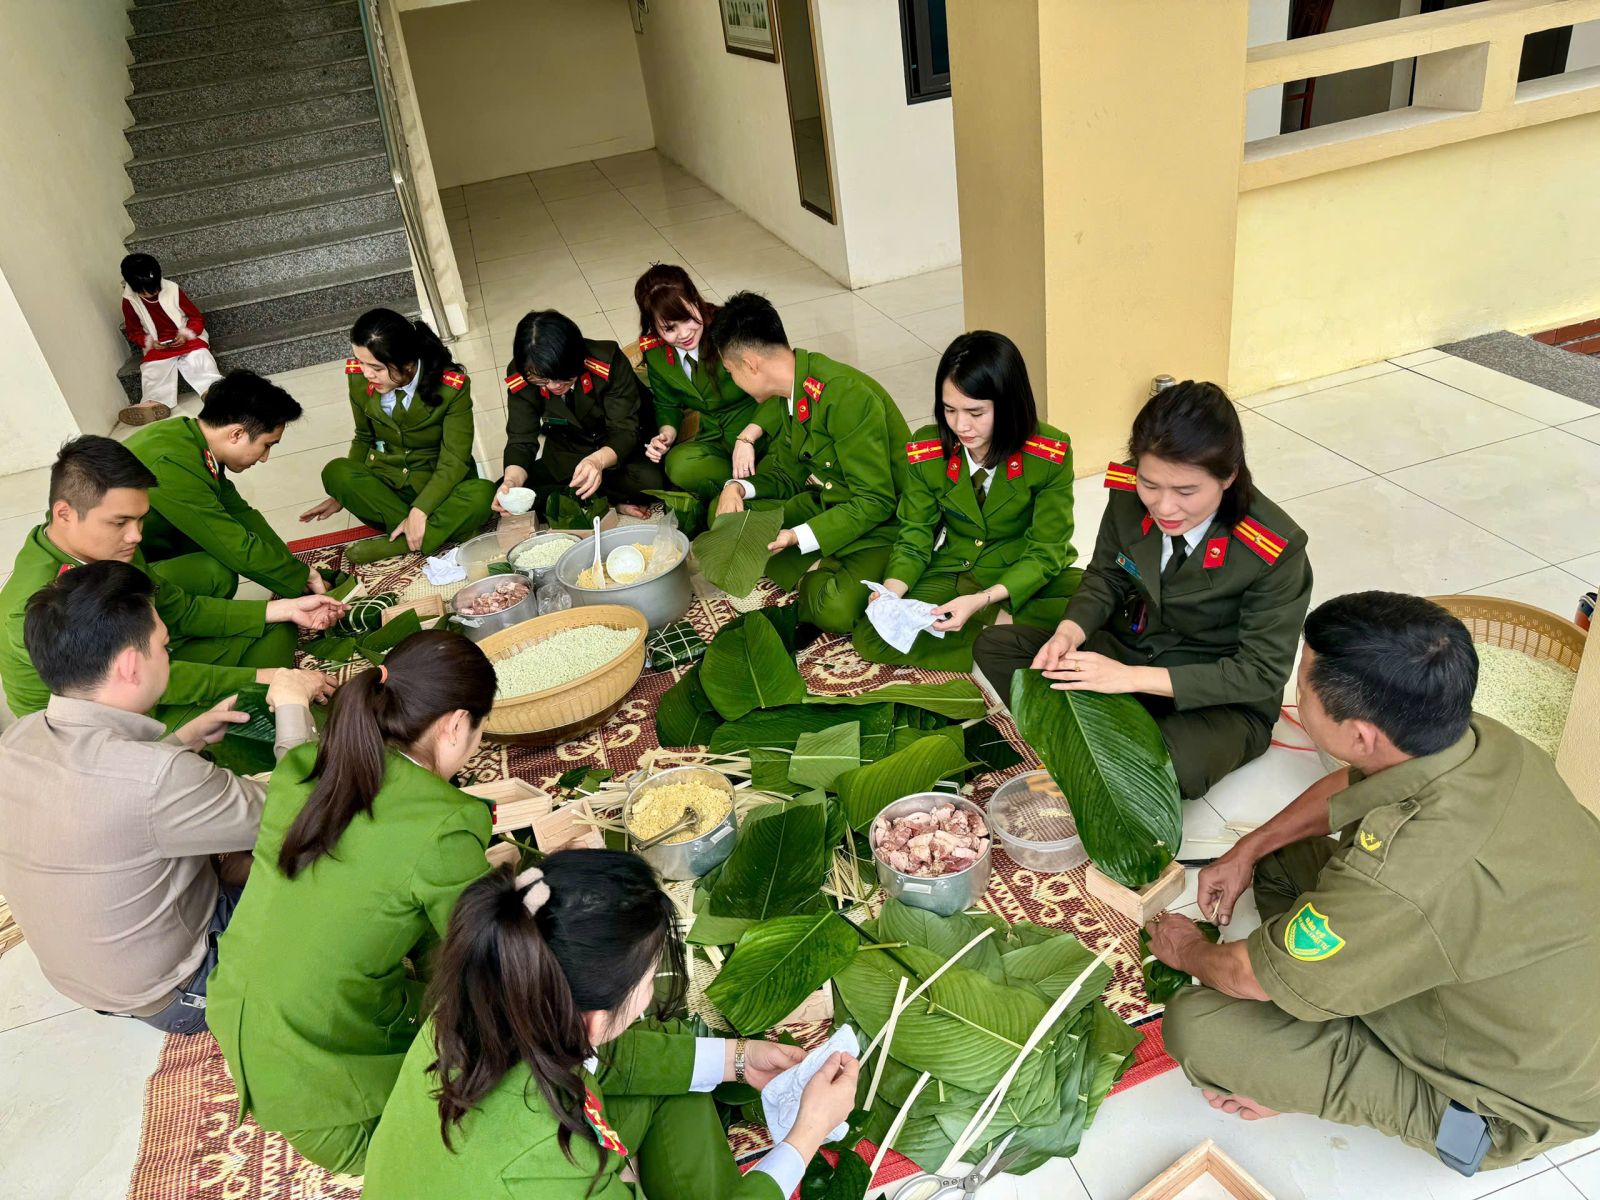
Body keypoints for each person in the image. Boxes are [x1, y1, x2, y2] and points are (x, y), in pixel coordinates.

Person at [1151, 591, 1600, 1173]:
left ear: (1362, 734)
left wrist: (1186, 949)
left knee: (1198, 1028)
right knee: (1286, 859)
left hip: (1516, 1097)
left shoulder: (1400, 876)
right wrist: (1247, 848)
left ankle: (1338, 1065)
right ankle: (1333, 991)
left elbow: (1243, 975)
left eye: (1303, 696)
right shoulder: (1482, 740)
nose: (1298, 703)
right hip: (1522, 985)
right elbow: (1355, 785)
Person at [363, 855, 861, 1199]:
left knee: (676, 1069)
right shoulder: (561, 1164)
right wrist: (805, 1136)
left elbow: (613, 1060)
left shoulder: (486, 993)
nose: (649, 995)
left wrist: (735, 1060)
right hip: (527, 1174)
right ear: (594, 1019)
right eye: (646, 982)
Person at [206, 630, 505, 1176]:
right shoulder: (444, 820)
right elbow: (489, 953)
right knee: (500, 1041)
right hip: (336, 1098)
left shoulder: (307, 767)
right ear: (456, 724)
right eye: (481, 730)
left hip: (251, 1037)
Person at [0, 562, 324, 1033]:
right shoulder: (157, 778)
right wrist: (294, 706)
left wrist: (184, 740)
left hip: (94, 978)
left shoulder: (20, 738)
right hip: (185, 988)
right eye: (164, 647)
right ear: (131, 665)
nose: (167, 656)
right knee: (338, 851)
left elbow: (111, 798)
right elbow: (306, 807)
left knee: (238, 843)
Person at [974, 381, 1311, 799]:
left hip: (1213, 696)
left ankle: (1105, 733)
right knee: (997, 647)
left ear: (1228, 476)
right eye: (1150, 485)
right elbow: (1106, 575)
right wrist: (1070, 633)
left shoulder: (1274, 550)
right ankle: (1112, 731)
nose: (1164, 507)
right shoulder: (1128, 493)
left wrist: (1128, 678)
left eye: (1186, 491)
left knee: (1175, 771)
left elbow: (1259, 673)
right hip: (1130, 646)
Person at [0, 437, 343, 727]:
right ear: (64, 514)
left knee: (275, 626)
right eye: (120, 522)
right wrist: (264, 677)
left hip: (142, 664)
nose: (135, 536)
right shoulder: (36, 606)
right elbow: (128, 684)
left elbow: (180, 608)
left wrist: (286, 607)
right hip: (95, 722)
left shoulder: (108, 548)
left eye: (139, 519)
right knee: (245, 718)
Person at [855, 331, 1080, 671]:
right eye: (949, 409)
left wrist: (982, 601)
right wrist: (892, 593)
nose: (961, 425)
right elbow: (915, 534)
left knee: (1091, 599)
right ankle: (1004, 637)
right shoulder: (927, 450)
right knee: (871, 637)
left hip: (1022, 574)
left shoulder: (1049, 453)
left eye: (976, 412)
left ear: (1008, 405)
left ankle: (999, 627)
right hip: (957, 568)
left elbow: (1046, 550)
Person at [707, 291, 911, 631]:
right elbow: (787, 477)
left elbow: (876, 501)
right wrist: (736, 488)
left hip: (882, 521)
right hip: (829, 505)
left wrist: (797, 537)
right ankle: (820, 562)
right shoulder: (793, 392)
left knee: (834, 609)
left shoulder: (844, 395)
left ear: (750, 364)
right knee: (725, 511)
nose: (733, 380)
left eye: (730, 371)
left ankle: (818, 566)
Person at [302, 308, 497, 566]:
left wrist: (421, 509)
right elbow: (363, 437)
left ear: (407, 364)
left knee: (482, 494)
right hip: (389, 485)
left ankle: (402, 541)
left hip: (438, 487)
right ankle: (437, 530)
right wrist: (343, 495)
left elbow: (454, 460)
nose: (366, 373)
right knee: (336, 472)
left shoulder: (451, 387)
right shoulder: (359, 380)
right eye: (360, 362)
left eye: (376, 367)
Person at [126, 369, 320, 599]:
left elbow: (241, 515)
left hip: (149, 548)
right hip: (110, 582)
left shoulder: (190, 439)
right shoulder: (169, 463)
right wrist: (297, 577)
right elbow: (230, 542)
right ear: (237, 434)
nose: (265, 457)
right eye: (267, 445)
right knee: (217, 573)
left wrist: (297, 569)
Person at [496, 309, 665, 521]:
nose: (554, 386)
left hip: (616, 451)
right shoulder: (524, 374)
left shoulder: (607, 360)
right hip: (569, 453)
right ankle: (608, 500)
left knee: (650, 482)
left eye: (562, 378)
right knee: (507, 492)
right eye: (542, 381)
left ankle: (593, 499)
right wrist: (511, 481)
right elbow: (521, 439)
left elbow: (624, 430)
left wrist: (597, 462)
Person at [634, 265, 782, 503]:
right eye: (669, 328)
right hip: (716, 440)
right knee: (678, 465)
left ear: (695, 299)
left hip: (764, 430)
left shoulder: (730, 329)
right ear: (653, 325)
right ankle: (748, 488)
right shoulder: (656, 354)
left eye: (685, 318)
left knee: (784, 464)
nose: (683, 334)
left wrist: (748, 438)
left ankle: (749, 488)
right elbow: (666, 403)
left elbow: (778, 386)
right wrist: (665, 436)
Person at [118, 252, 224, 426]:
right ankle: (154, 404)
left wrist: (186, 333)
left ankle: (214, 391)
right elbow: (134, 330)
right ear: (133, 287)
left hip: (187, 338)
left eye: (155, 289)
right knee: (153, 369)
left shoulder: (173, 289)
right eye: (146, 292)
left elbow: (195, 317)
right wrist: (150, 342)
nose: (152, 294)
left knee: (199, 358)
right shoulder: (129, 301)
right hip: (159, 346)